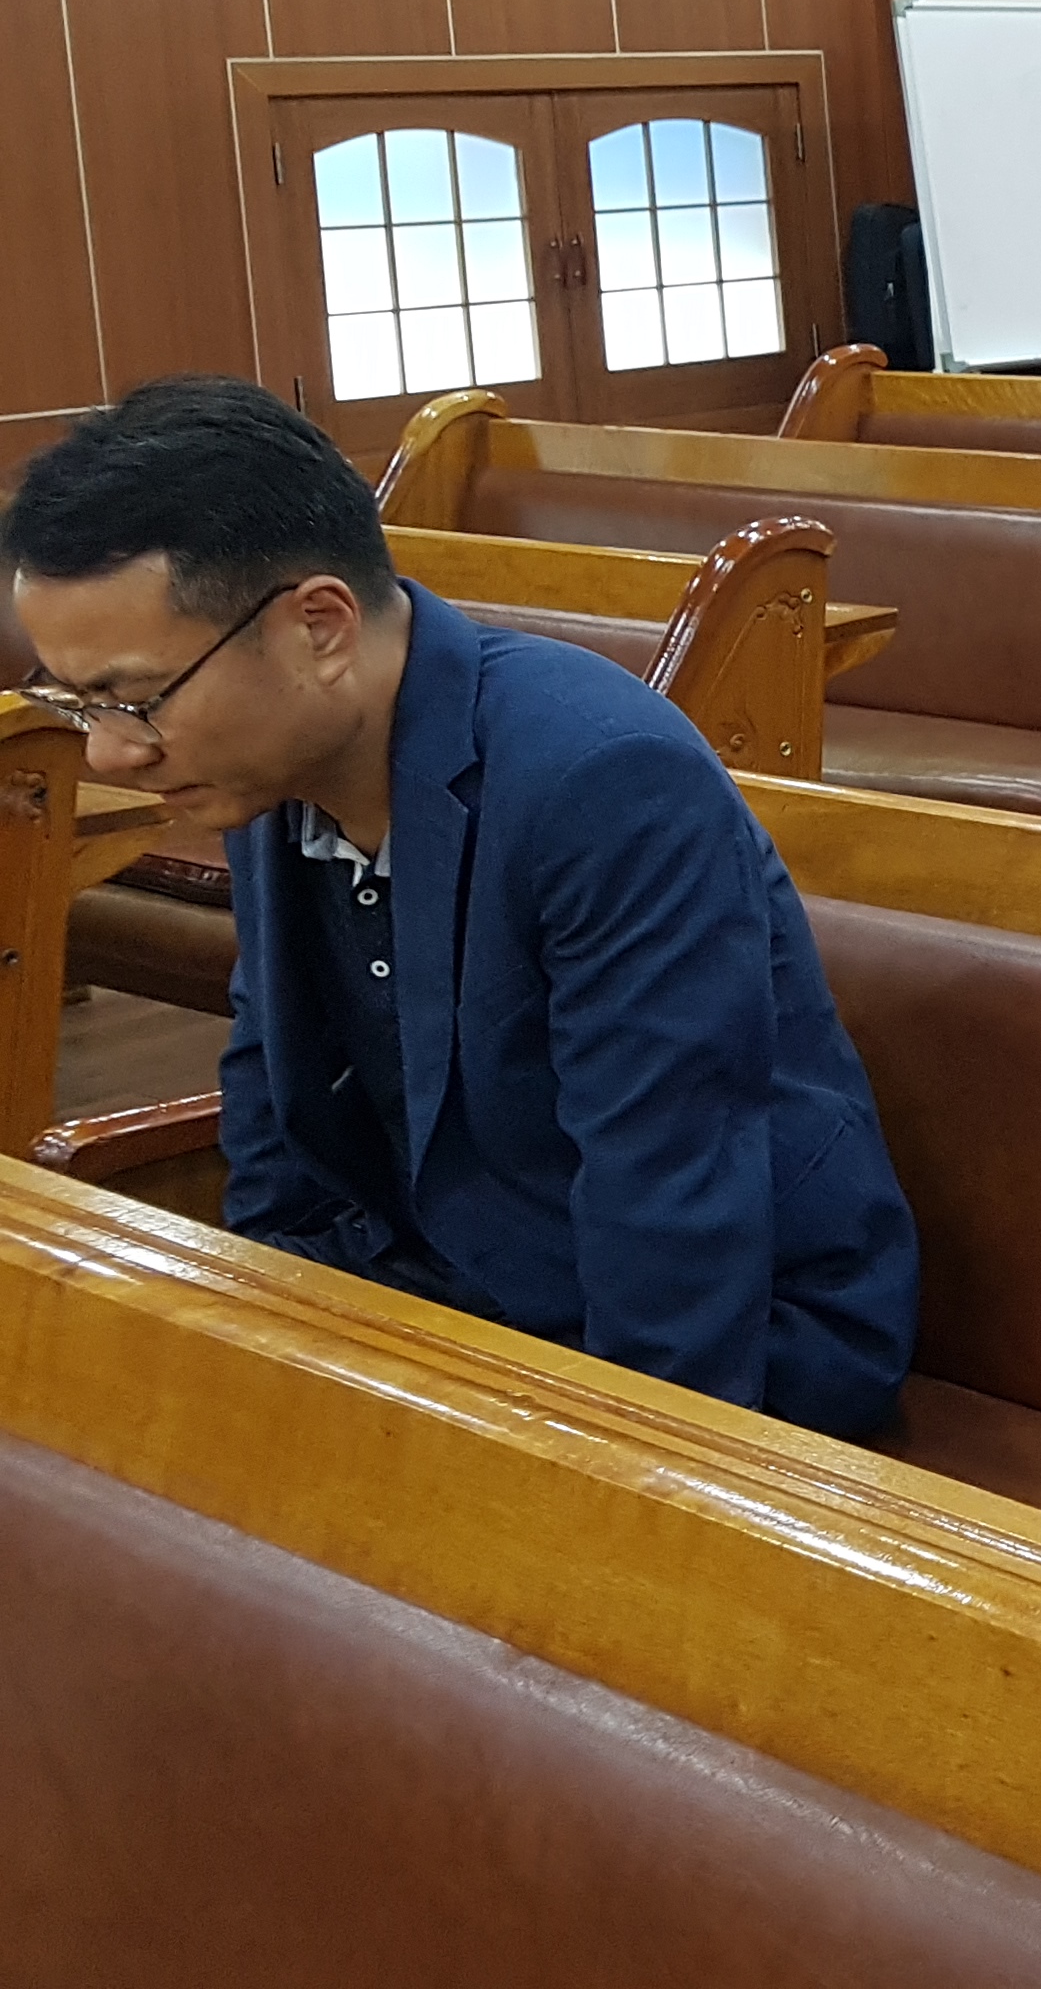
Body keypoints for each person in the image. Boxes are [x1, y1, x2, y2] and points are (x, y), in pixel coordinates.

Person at [1, 377, 918, 1437]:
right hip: (441, 1278)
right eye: (79, 703)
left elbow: (671, 1190)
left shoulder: (602, 778)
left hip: (726, 1333)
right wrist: (255, 1329)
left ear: (319, 627)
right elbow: (270, 1089)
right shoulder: (262, 761)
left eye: (136, 699)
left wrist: (640, 1484)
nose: (112, 753)